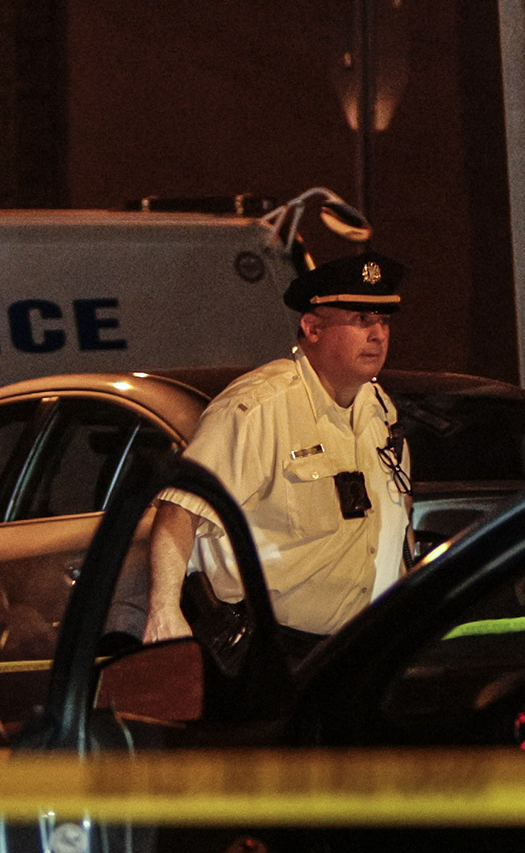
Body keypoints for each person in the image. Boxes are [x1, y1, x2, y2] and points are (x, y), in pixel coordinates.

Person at [143, 253, 410, 657]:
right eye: (360, 320)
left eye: (384, 321)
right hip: (272, 652)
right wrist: (163, 610)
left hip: (362, 648)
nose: (378, 334)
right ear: (313, 328)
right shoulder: (257, 407)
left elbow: (393, 525)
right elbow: (178, 508)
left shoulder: (379, 409)